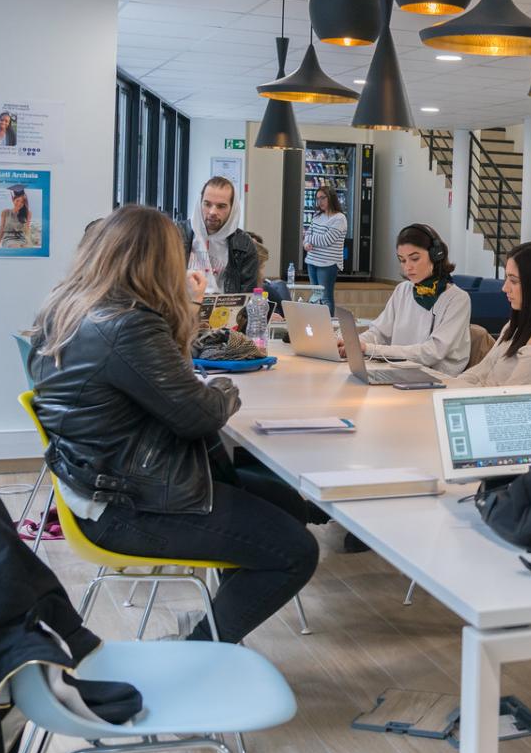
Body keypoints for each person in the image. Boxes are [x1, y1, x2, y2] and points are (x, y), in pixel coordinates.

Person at [26, 204, 319, 645]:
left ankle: (222, 623)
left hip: (97, 484)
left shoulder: (69, 307)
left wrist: (190, 309)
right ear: (158, 260)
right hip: (127, 505)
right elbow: (198, 414)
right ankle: (201, 648)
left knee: (284, 501)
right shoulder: (128, 325)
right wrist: (224, 387)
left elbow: (167, 385)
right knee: (296, 550)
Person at [444, 242, 531, 387]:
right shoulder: (519, 324)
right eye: (506, 278)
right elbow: (482, 370)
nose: (505, 288)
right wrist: (448, 387)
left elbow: (512, 397)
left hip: (498, 405)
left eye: (513, 281)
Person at [358, 224, 471, 375]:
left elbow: (432, 352)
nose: (407, 267)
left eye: (415, 258)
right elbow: (379, 333)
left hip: (436, 379)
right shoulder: (403, 290)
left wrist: (370, 349)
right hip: (399, 371)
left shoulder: (457, 299)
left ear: (436, 255)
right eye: (402, 260)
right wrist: (354, 343)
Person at [180, 176, 262, 295]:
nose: (212, 212)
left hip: (225, 311)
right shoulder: (176, 234)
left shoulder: (244, 244)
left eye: (221, 206)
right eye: (207, 204)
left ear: (232, 208)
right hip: (182, 310)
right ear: (200, 203)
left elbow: (247, 296)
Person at [304, 186, 348, 311]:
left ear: (331, 197)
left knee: (326, 297)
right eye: (317, 199)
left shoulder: (339, 218)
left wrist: (310, 239)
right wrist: (306, 243)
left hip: (328, 263)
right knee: (316, 296)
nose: (320, 201)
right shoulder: (317, 216)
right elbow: (307, 235)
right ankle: (317, 326)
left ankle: (328, 329)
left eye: (323, 198)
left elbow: (326, 240)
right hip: (312, 261)